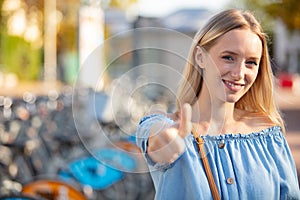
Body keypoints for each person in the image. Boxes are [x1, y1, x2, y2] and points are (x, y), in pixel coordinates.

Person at [136, 9, 300, 199]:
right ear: (200, 57)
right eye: (228, 57)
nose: (239, 73)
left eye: (251, 62)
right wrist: (160, 140)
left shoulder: (269, 135)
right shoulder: (171, 128)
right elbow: (153, 134)